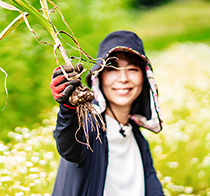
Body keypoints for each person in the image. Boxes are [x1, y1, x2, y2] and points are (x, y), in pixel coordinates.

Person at [50, 30, 164, 196]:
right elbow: (68, 145)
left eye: (132, 69)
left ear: (145, 77)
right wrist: (68, 108)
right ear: (99, 77)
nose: (123, 78)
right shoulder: (89, 129)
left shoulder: (138, 139)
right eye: (112, 69)